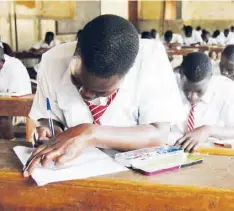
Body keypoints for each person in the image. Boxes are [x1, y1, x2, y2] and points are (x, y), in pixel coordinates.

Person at [24, 15, 184, 177]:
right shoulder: (52, 61)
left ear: (125, 75)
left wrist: (90, 133)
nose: (85, 94)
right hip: (73, 171)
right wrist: (48, 130)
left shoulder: (151, 60)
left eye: (100, 92)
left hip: (135, 174)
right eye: (77, 81)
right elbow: (47, 117)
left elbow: (159, 134)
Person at [171, 52, 234, 152]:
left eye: (199, 91)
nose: (192, 97)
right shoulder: (169, 85)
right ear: (180, 75)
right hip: (173, 151)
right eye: (186, 90)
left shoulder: (226, 89)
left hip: (211, 153)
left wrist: (208, 130)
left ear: (210, 78)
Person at [0, 45, 32, 140]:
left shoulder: (14, 68)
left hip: (21, 108)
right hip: (2, 106)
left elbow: (11, 99)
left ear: (2, 62)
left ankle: (10, 143)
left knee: (1, 108)